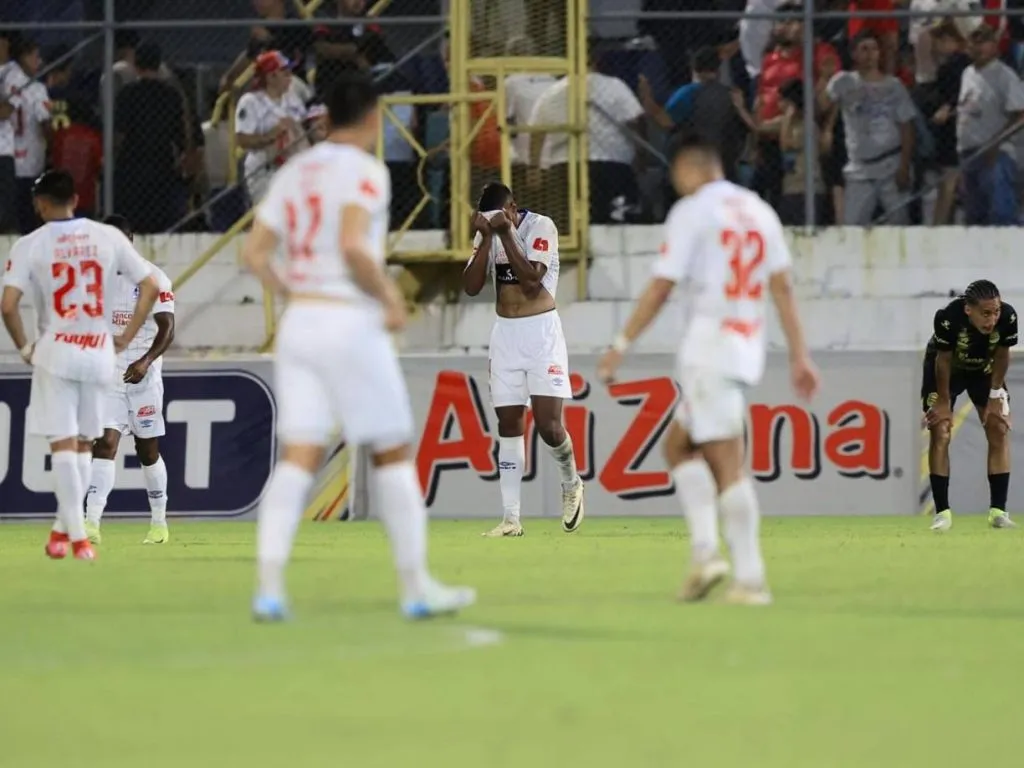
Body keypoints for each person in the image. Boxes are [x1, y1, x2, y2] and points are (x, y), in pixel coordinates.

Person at [240, 70, 475, 622]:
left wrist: (292, 290)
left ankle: (269, 589)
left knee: (299, 455)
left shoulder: (295, 171)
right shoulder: (366, 171)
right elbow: (352, 245)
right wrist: (390, 298)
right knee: (391, 450)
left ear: (325, 118)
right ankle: (416, 588)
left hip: (300, 324)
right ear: (373, 118)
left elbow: (253, 254)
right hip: (349, 321)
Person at [596, 133, 819, 606]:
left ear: (687, 168)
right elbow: (782, 287)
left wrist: (620, 344)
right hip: (745, 345)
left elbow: (662, 285)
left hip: (710, 346)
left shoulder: (694, 210)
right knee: (678, 447)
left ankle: (751, 578)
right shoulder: (759, 210)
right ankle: (704, 554)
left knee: (726, 461)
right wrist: (800, 354)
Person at [0, 170, 159, 560]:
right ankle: (61, 531)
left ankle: (78, 538)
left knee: (63, 446)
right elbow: (151, 285)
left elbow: (8, 306)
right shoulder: (107, 236)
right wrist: (125, 337)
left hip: (56, 350)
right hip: (99, 352)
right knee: (86, 445)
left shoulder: (29, 244)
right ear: (75, 198)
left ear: (39, 204)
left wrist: (25, 348)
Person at [463, 182, 585, 538]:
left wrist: (505, 233)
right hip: (506, 335)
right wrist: (487, 237)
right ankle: (511, 519)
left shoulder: (541, 226)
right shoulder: (488, 232)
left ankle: (571, 482)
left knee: (549, 426)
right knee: (508, 422)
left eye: (499, 217)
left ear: (513, 209)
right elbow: (471, 286)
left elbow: (532, 282)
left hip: (541, 334)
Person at [84, 214, 176, 546]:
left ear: (131, 240)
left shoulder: (155, 279)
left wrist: (145, 361)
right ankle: (91, 522)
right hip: (109, 375)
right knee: (105, 443)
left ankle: (159, 523)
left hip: (144, 377)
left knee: (147, 450)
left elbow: (167, 328)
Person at [922, 280, 1017, 532]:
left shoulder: (1008, 317)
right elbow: (942, 359)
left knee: (998, 428)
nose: (992, 320)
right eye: (985, 314)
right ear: (968, 310)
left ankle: (998, 512)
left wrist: (996, 395)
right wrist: (943, 401)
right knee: (940, 429)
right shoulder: (948, 318)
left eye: (995, 312)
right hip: (946, 372)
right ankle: (942, 514)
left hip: (984, 372)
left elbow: (1003, 354)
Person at [820, 30, 917, 226]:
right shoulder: (844, 81)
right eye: (864, 49)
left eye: (874, 49)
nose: (870, 54)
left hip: (890, 164)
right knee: (852, 225)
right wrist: (825, 77)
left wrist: (904, 166)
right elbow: (822, 106)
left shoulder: (894, 86)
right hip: (859, 169)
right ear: (854, 54)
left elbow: (907, 127)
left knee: (899, 223)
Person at [234, 50, 308, 206]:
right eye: (285, 72)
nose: (290, 76)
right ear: (271, 77)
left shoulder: (292, 98)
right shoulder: (251, 102)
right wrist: (271, 135)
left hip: (292, 166)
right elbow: (242, 140)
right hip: (263, 169)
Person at [3, 37, 51, 234]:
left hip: (10, 159)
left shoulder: (5, 81)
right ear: (23, 57)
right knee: (31, 222)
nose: (39, 62)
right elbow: (45, 122)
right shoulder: (35, 88)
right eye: (35, 56)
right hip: (31, 161)